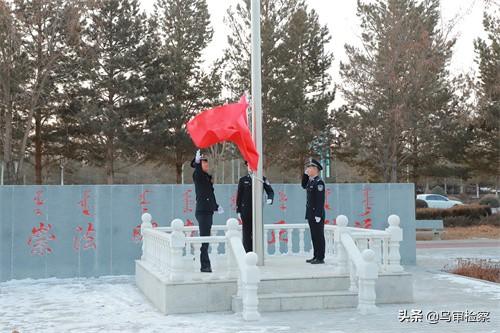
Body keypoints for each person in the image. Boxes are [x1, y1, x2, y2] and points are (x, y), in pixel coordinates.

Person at [191, 149, 223, 272]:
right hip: (202, 211)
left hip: (207, 211)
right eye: (204, 164)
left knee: (206, 239)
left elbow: (209, 194)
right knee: (204, 239)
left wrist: (216, 206)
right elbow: (197, 172)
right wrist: (197, 162)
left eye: (207, 164)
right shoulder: (198, 176)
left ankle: (204, 263)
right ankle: (204, 265)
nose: (207, 166)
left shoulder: (205, 178)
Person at [236, 161, 274, 252]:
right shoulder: (243, 180)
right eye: (248, 165)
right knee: (246, 233)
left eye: (251, 164)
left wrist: (270, 199)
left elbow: (270, 191)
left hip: (257, 210)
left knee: (257, 233)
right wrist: (238, 210)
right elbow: (239, 196)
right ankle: (247, 253)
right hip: (246, 210)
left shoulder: (261, 179)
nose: (249, 167)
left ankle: (257, 252)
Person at [301, 158, 326, 264]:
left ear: (316, 169)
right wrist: (305, 175)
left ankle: (320, 257)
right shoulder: (311, 181)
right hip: (311, 213)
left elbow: (320, 200)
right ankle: (315, 255)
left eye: (310, 167)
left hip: (317, 213)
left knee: (319, 235)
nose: (308, 169)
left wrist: (318, 214)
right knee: (314, 235)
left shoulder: (319, 182)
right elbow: (303, 185)